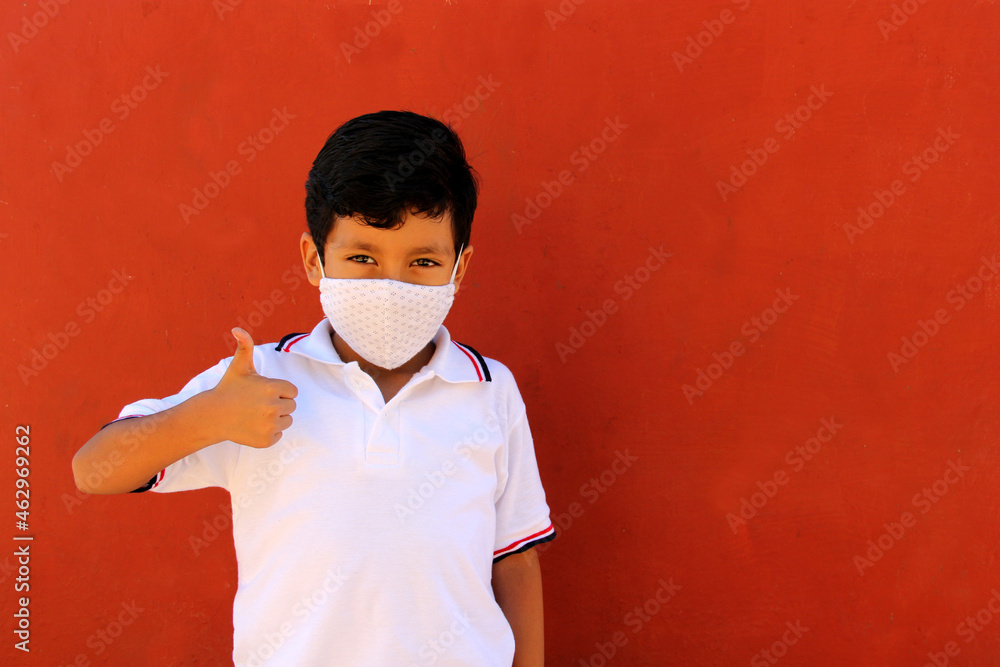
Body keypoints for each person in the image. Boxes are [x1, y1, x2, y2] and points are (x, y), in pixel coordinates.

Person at [72, 110, 557, 666]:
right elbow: (94, 469)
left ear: (459, 269)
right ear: (313, 259)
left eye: (423, 261)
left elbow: (515, 558)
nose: (390, 284)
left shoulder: (490, 391)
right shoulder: (255, 382)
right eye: (362, 257)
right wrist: (209, 417)